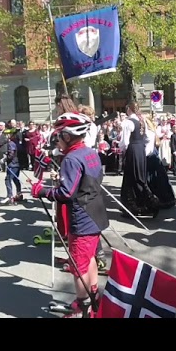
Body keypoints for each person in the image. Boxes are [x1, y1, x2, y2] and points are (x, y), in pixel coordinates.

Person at [32, 112, 109, 318]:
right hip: (96, 212)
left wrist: (42, 191)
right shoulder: (89, 152)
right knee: (89, 258)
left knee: (78, 266)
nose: (56, 139)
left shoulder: (71, 159)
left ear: (68, 136)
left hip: (82, 218)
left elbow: (66, 193)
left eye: (59, 135)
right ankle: (93, 296)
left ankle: (83, 308)